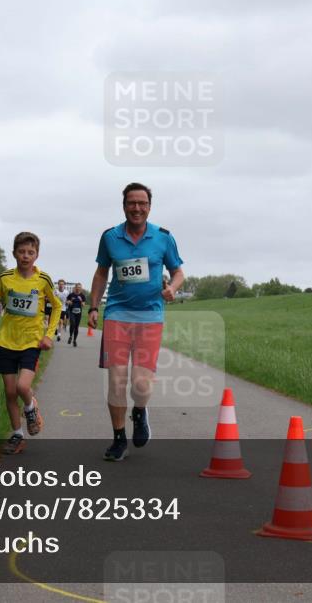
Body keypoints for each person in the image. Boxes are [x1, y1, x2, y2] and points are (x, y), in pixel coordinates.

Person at [88, 183, 184, 461]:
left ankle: (140, 411)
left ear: (149, 207)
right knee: (117, 381)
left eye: (142, 203)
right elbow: (100, 273)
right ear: (124, 206)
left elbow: (178, 271)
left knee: (141, 384)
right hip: (117, 314)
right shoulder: (110, 237)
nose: (137, 208)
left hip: (150, 317)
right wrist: (94, 307)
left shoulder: (163, 238)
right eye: (132, 203)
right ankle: (119, 439)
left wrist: (173, 288)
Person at [0, 232, 62, 455]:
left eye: (30, 252)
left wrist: (49, 335)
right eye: (21, 252)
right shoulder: (5, 278)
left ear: (37, 255)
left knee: (22, 387)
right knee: (10, 393)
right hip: (6, 343)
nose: (25, 256)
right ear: (14, 253)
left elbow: (57, 306)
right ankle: (17, 436)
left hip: (31, 343)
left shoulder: (43, 280)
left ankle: (31, 407)